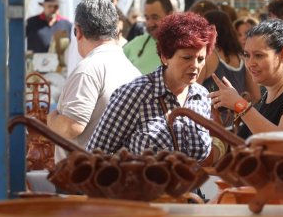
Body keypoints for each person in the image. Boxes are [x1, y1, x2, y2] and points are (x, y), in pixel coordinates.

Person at [87, 12, 217, 162]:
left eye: (200, 59)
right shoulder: (135, 94)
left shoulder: (201, 96)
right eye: (187, 57)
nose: (195, 65)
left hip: (190, 185)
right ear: (165, 57)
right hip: (142, 185)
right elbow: (95, 155)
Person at [47, 0, 141, 163]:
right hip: (114, 173)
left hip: (82, 177)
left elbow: (71, 126)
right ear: (116, 31)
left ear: (79, 31)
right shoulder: (132, 70)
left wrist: (51, 118)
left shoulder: (89, 69)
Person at [209, 19, 283, 138]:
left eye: (259, 55)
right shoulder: (268, 95)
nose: (250, 63)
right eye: (247, 55)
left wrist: (239, 104)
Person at [199, 10, 260, 127]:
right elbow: (256, 95)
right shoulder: (241, 58)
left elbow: (192, 91)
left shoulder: (209, 57)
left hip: (213, 129)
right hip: (236, 128)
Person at [123, 0, 174, 74]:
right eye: (147, 18)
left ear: (170, 15)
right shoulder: (134, 45)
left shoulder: (181, 46)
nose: (149, 23)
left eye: (155, 17)